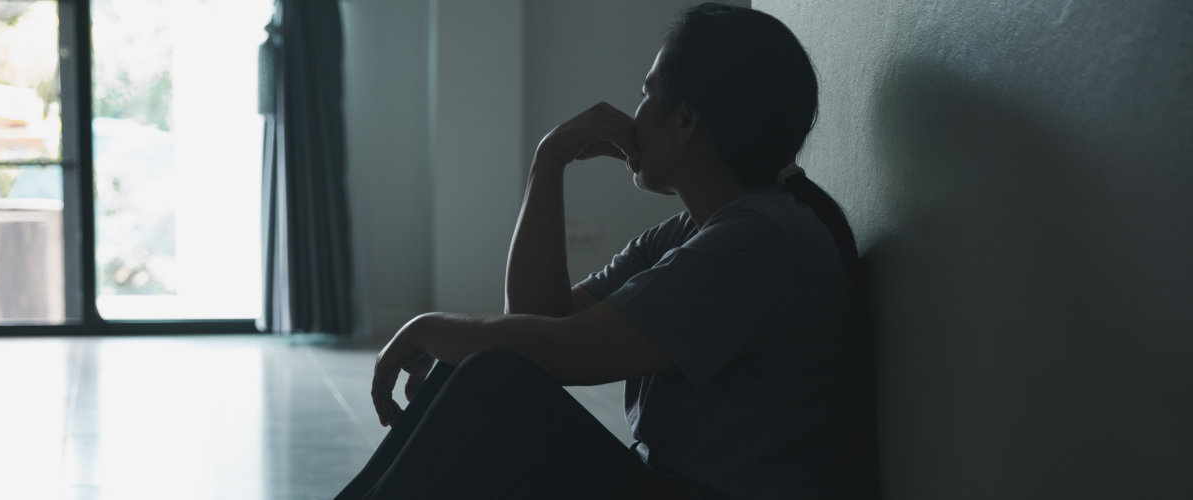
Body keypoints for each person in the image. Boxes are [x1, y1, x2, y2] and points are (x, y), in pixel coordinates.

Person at [338, 3, 875, 498]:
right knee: (481, 364)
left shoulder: (757, 242)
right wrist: (549, 162)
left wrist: (426, 327)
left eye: (646, 94)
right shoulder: (693, 232)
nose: (634, 112)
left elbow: (558, 351)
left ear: (686, 120)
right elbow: (536, 321)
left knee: (489, 373)